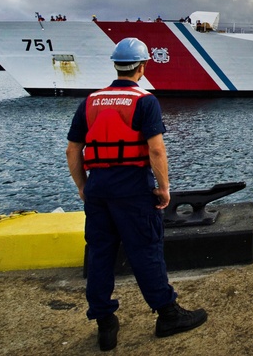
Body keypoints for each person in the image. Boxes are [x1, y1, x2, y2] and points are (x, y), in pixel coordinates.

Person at [66, 37, 207, 351]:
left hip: (99, 188)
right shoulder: (145, 101)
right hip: (132, 189)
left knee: (100, 253)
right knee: (145, 250)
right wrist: (164, 188)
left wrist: (83, 186)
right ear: (143, 67)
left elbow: (73, 150)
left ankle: (105, 323)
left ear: (116, 64)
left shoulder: (89, 102)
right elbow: (156, 151)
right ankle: (167, 314)